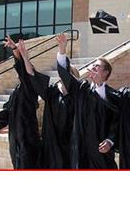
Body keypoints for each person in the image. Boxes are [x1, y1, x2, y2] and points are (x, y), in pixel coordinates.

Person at [56, 33, 119, 169]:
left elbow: (117, 123)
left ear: (106, 73)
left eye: (97, 66)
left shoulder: (114, 96)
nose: (93, 68)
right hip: (81, 152)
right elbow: (66, 76)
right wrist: (62, 50)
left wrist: (110, 141)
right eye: (93, 65)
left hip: (101, 154)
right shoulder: (82, 89)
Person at [16, 38, 80, 169]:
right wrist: (24, 57)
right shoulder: (52, 92)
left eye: (67, 74)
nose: (63, 77)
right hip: (51, 146)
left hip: (69, 147)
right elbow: (33, 75)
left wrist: (62, 51)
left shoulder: (78, 96)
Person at [0, 36, 40, 169]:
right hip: (16, 140)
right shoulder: (16, 92)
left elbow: (26, 73)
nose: (19, 73)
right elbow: (9, 113)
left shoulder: (31, 88)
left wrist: (16, 50)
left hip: (28, 140)